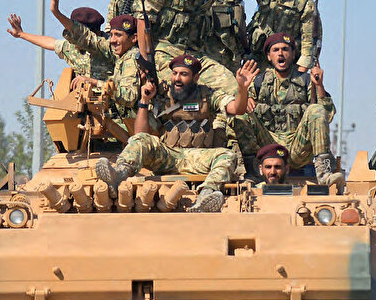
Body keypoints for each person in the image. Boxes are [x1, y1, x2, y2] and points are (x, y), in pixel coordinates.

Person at [95, 54, 259, 213]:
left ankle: (205, 197)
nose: (177, 78)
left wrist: (242, 89)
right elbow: (140, 134)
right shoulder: (162, 98)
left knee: (228, 156)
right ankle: (119, 173)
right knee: (140, 139)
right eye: (175, 73)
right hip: (169, 156)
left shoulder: (208, 95)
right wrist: (144, 102)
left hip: (199, 157)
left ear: (195, 78)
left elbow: (236, 109)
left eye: (184, 74)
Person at [229, 33, 343, 186]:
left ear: (293, 54)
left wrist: (319, 86)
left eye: (285, 49)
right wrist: (244, 95)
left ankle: (323, 173)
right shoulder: (258, 82)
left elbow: (327, 115)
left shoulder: (306, 81)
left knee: (316, 110)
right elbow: (238, 109)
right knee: (241, 116)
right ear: (269, 56)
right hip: (268, 148)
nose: (280, 53)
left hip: (298, 148)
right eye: (275, 50)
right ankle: (254, 172)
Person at [6, 0, 113, 82]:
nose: (72, 41)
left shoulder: (111, 46)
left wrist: (57, 13)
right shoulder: (72, 48)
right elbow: (51, 43)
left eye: (76, 37)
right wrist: (22, 34)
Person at [62, 13, 141, 119]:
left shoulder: (131, 58)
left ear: (133, 38)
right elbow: (87, 38)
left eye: (118, 35)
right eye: (111, 35)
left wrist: (94, 82)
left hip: (134, 122)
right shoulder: (122, 56)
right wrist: (56, 13)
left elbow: (128, 96)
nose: (112, 40)